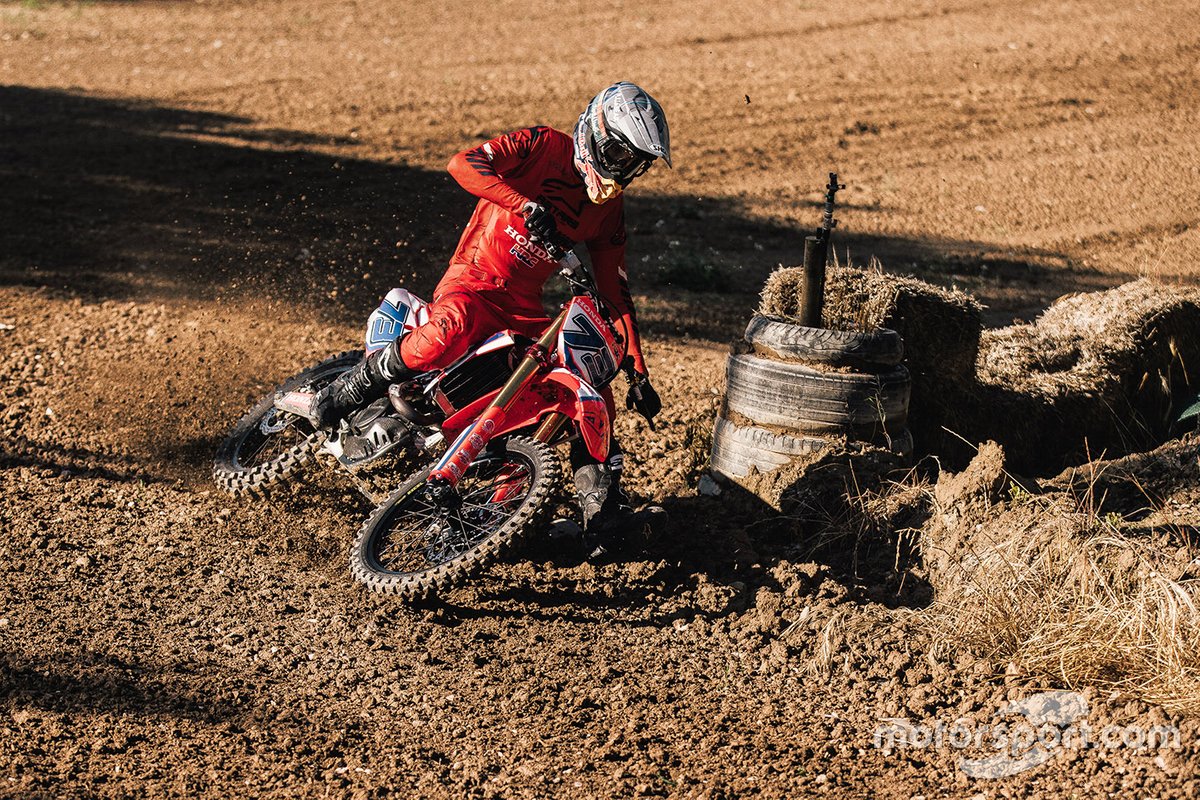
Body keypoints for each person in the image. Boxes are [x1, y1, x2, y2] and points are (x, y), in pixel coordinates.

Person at [279, 81, 671, 539]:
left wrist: (638, 372)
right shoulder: (544, 145)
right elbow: (462, 163)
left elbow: (615, 291)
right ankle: (342, 393)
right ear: (596, 134)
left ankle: (597, 508)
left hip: (523, 310)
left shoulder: (609, 209)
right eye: (622, 156)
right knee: (454, 325)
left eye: (636, 166)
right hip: (475, 279)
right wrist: (523, 205)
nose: (624, 172)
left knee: (587, 380)